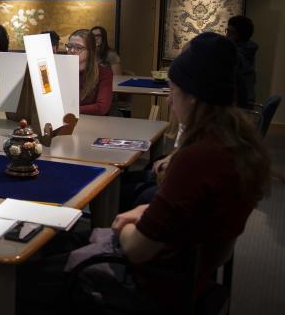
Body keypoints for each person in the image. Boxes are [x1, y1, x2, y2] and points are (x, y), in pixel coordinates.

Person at [104, 32, 272, 312]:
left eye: (172, 90)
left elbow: (136, 250)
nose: (169, 100)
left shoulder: (196, 160)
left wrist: (121, 224)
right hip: (192, 273)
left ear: (192, 96)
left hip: (159, 287)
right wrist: (147, 213)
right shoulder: (238, 145)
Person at [67, 29, 112, 115]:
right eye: (69, 46)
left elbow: (101, 108)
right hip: (66, 120)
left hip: (93, 123)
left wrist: (71, 110)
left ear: (90, 51)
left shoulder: (104, 73)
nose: (72, 51)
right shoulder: (61, 70)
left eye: (78, 47)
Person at [226, 15, 258, 109]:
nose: (226, 35)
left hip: (240, 106)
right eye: (227, 31)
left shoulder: (238, 54)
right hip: (243, 102)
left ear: (239, 35)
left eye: (230, 32)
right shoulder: (247, 49)